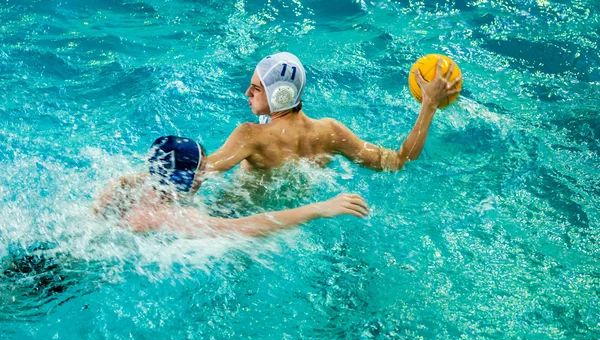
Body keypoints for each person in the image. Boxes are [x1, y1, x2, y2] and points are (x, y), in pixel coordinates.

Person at [206, 52, 462, 172]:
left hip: (242, 219)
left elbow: (203, 172)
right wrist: (429, 105)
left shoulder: (250, 135)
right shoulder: (330, 132)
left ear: (279, 95)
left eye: (255, 88)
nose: (247, 93)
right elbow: (398, 161)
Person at [94, 136, 368, 238]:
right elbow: (246, 229)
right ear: (184, 178)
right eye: (200, 170)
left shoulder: (136, 188)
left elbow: (120, 183)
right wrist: (319, 208)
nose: (204, 176)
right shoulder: (171, 216)